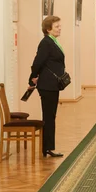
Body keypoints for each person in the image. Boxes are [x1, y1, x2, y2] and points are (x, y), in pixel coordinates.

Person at [28, 16, 65, 158]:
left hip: (52, 85)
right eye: (56, 26)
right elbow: (37, 62)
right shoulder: (46, 43)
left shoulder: (53, 42)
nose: (59, 28)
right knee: (49, 116)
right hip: (47, 85)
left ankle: (48, 147)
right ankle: (48, 148)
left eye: (59, 26)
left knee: (51, 116)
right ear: (48, 29)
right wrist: (32, 77)